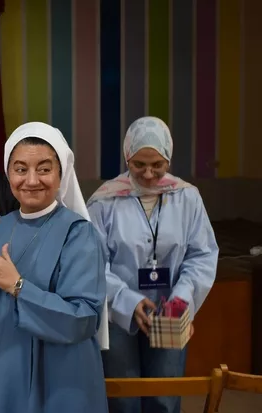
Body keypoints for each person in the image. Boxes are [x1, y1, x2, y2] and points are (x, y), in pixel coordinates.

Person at [0, 122, 108, 413]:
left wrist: (17, 286)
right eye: (20, 169)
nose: (32, 180)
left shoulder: (79, 233)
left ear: (61, 174)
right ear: (8, 173)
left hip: (59, 375)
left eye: (44, 169)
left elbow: (84, 318)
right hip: (1, 367)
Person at [87, 116, 218, 413]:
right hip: (116, 313)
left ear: (169, 158)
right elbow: (93, 263)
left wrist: (181, 299)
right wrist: (127, 301)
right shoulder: (104, 202)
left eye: (157, 165)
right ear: (127, 158)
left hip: (170, 311)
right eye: (139, 164)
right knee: (123, 396)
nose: (148, 174)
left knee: (165, 394)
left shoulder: (187, 198)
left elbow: (202, 255)